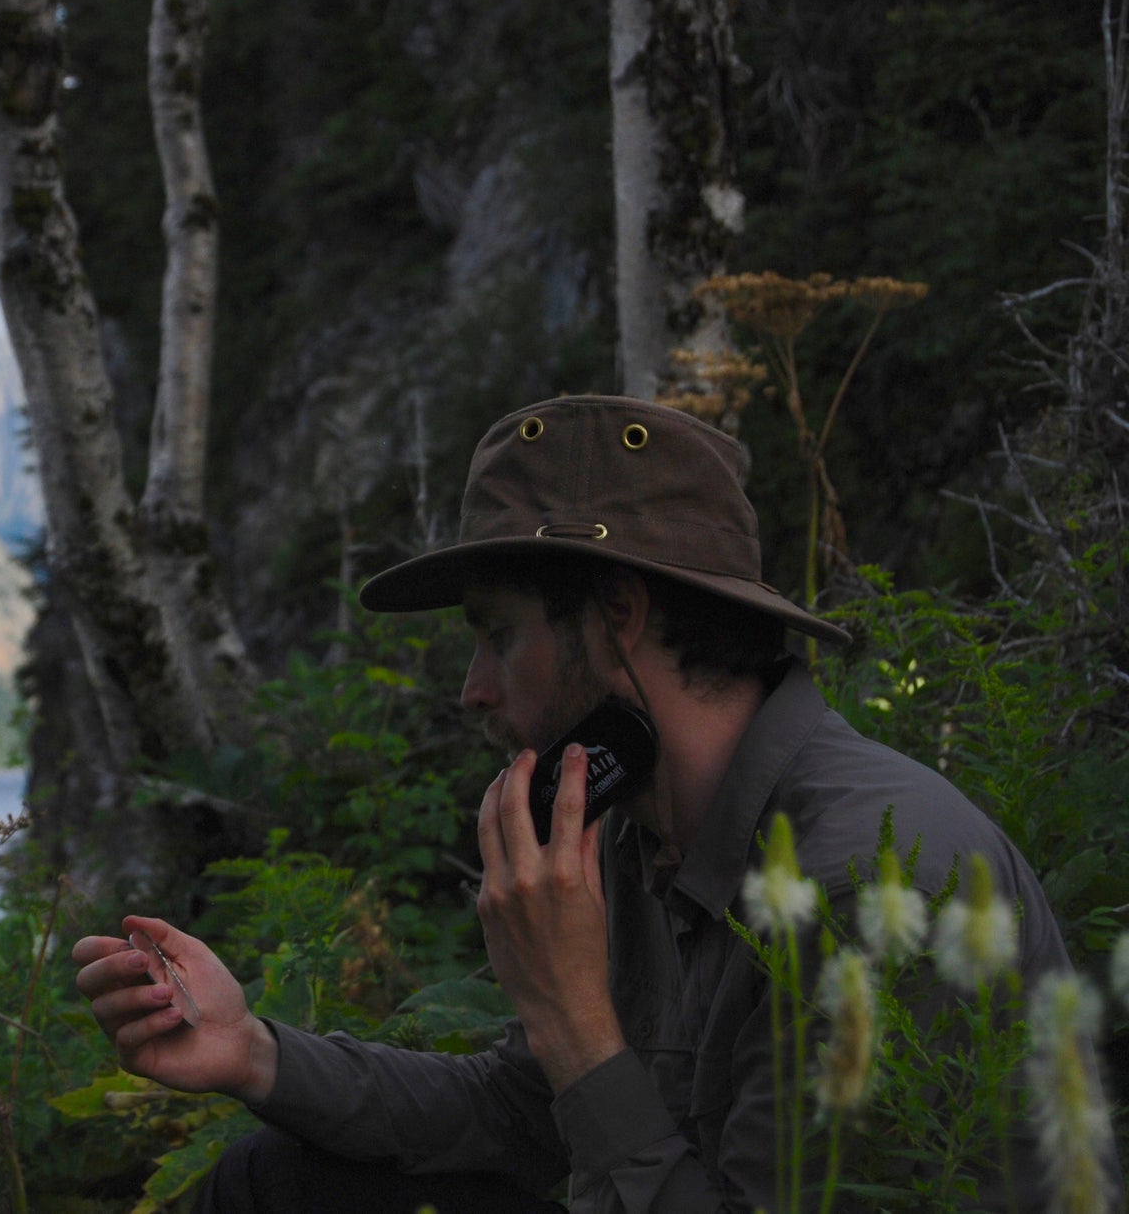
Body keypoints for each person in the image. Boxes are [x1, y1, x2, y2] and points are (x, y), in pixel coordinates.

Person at [71, 394, 1111, 1213]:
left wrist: (573, 1016)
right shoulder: (634, 836)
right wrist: (253, 1051)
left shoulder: (863, 891)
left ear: (617, 615)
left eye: (497, 633)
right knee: (277, 1186)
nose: (473, 689)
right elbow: (526, 1112)